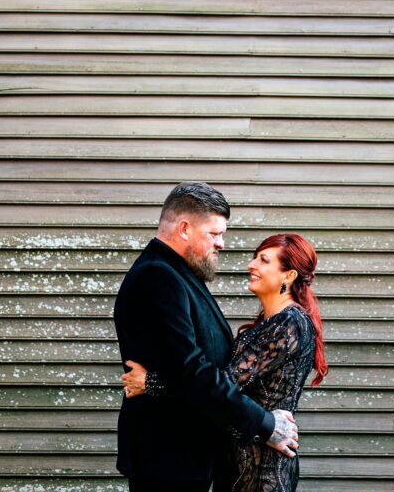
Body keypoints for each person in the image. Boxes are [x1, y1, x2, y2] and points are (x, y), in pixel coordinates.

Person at [113, 182, 300, 492]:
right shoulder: (158, 277)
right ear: (184, 228)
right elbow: (192, 373)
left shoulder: (178, 274)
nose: (221, 244)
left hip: (188, 459)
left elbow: (194, 369)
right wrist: (266, 426)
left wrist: (153, 382)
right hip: (169, 460)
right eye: (214, 234)